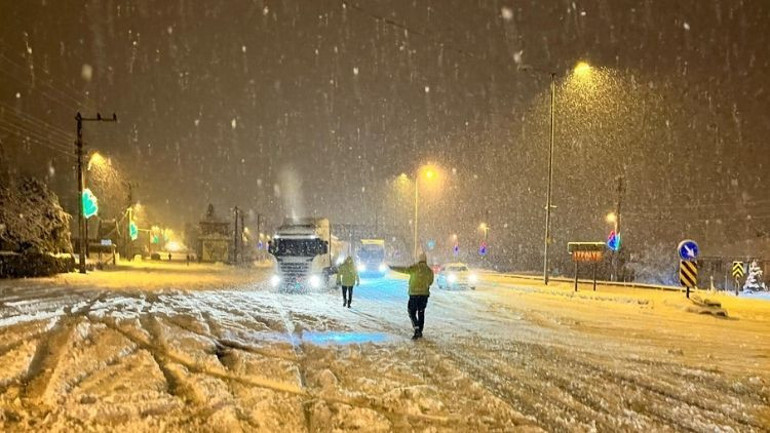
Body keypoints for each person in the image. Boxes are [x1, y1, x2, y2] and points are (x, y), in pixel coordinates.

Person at [390, 252, 434, 340]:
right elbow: (431, 282)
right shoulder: (429, 270)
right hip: (424, 294)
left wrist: (393, 268)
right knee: (421, 312)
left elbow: (404, 270)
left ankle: (417, 329)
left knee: (411, 311)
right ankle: (420, 331)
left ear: (419, 259)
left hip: (414, 294)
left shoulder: (415, 268)